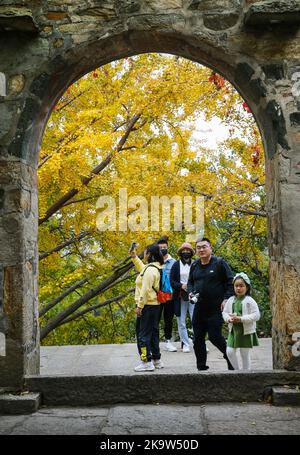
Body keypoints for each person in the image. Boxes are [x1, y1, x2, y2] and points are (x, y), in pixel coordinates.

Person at [187, 237, 234, 371]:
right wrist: (190, 292)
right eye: (198, 247)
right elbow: (190, 282)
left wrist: (226, 299)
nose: (201, 249)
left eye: (204, 247)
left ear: (210, 248)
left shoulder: (219, 263)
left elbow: (230, 282)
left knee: (214, 337)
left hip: (216, 308)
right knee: (198, 339)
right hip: (199, 307)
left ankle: (230, 358)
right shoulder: (195, 265)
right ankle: (201, 367)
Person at [130, 243, 164, 372]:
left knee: (142, 335)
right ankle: (156, 359)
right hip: (154, 306)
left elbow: (145, 290)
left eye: (145, 252)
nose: (144, 255)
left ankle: (146, 361)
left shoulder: (150, 271)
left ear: (149, 254)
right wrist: (134, 257)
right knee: (153, 333)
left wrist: (139, 306)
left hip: (147, 306)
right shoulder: (153, 267)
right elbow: (141, 268)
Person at [222, 272, 260, 370]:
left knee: (244, 354)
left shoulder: (250, 301)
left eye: (241, 286)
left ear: (247, 287)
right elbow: (224, 312)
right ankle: (237, 371)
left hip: (245, 332)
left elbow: (256, 315)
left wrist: (241, 319)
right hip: (233, 331)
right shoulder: (230, 300)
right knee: (229, 352)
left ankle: (246, 374)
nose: (238, 288)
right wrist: (228, 319)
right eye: (236, 286)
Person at [170, 242, 195, 353]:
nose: (186, 252)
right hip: (180, 296)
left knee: (196, 319)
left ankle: (198, 342)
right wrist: (181, 286)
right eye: (184, 251)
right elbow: (172, 281)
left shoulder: (195, 264)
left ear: (191, 252)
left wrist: (192, 287)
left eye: (188, 250)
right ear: (180, 252)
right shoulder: (176, 265)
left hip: (193, 296)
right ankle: (185, 344)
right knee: (181, 321)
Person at [157, 236, 177, 352]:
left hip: (170, 296)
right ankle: (154, 342)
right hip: (156, 296)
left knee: (168, 319)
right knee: (155, 319)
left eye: (164, 247)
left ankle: (168, 341)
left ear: (167, 248)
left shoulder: (174, 263)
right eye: (160, 248)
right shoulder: (154, 262)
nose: (163, 249)